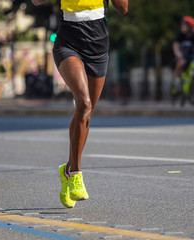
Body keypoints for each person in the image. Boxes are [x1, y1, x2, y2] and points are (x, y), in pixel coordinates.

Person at [32, 0, 128, 208]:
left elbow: (123, 8)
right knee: (84, 104)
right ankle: (75, 173)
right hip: (69, 44)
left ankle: (67, 169)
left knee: (86, 112)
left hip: (98, 47)